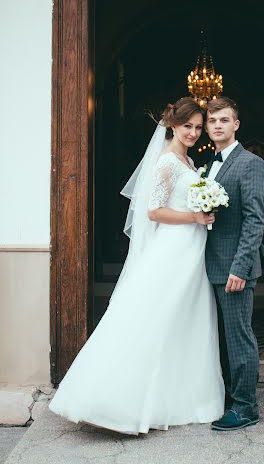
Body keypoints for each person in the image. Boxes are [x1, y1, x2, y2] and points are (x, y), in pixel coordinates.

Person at [49, 97, 224, 435]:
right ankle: (113, 400)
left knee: (184, 321)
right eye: (188, 126)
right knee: (155, 319)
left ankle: (176, 399)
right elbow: (154, 211)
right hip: (173, 251)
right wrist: (195, 216)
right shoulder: (167, 163)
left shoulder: (187, 162)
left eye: (198, 127)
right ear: (172, 125)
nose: (194, 132)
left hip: (190, 251)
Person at [205, 96, 264, 431]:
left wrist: (240, 268)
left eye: (224, 120)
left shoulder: (250, 164)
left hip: (233, 269)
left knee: (238, 336)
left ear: (236, 125)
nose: (217, 126)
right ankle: (229, 397)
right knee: (217, 338)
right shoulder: (208, 165)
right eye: (212, 120)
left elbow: (254, 221)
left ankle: (246, 407)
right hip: (208, 266)